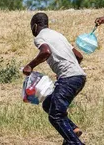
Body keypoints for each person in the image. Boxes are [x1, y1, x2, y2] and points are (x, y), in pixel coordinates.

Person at [23, 12, 86, 145]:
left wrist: (30, 66)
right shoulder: (58, 35)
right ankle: (73, 129)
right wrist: (67, 70)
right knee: (48, 104)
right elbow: (79, 56)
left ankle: (75, 142)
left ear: (35, 25)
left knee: (55, 116)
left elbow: (45, 52)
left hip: (69, 78)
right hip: (79, 77)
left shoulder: (40, 37)